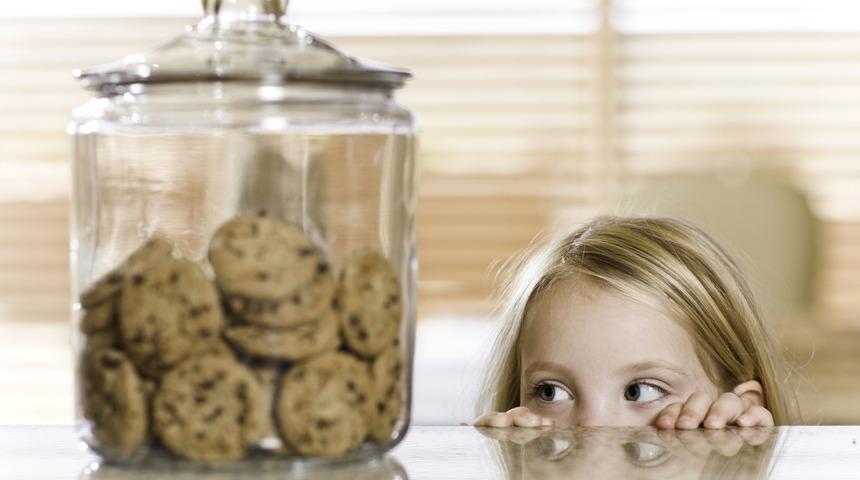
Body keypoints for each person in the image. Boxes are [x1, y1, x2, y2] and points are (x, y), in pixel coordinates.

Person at [474, 216, 799, 429]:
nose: (593, 427)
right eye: (549, 392)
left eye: (639, 391)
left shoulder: (734, 440)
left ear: (737, 412)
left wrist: (740, 461)